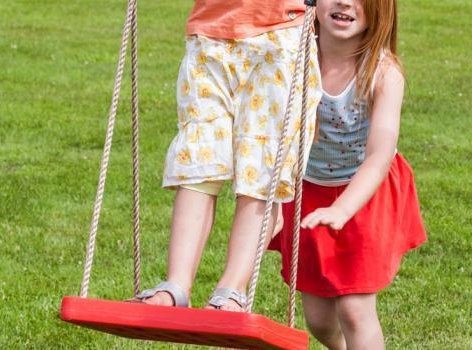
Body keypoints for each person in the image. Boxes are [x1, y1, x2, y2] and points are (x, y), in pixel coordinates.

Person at [133, 0, 322, 312]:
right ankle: (176, 286)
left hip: (280, 35)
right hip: (209, 35)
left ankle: (231, 290)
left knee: (262, 172)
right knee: (198, 163)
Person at [271, 0, 427, 348]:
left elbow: (379, 155)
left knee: (355, 310)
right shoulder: (294, 59)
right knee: (320, 320)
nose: (345, 2)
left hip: (366, 193)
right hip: (309, 192)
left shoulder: (382, 72)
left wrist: (343, 209)